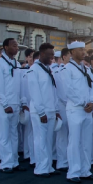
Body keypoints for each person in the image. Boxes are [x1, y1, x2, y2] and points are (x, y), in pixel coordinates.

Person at [63, 41, 93, 183]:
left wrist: (92, 102)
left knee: (86, 141)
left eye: (84, 49)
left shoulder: (86, 69)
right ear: (71, 52)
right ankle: (73, 172)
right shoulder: (67, 69)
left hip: (87, 110)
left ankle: (85, 170)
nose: (83, 52)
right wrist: (84, 103)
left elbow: (92, 88)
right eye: (80, 50)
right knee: (74, 141)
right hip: (76, 109)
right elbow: (68, 90)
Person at [27, 43, 62, 177]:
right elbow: (35, 93)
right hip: (40, 112)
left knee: (48, 140)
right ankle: (41, 167)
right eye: (50, 55)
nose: (52, 57)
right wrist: (41, 112)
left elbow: (52, 91)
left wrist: (56, 109)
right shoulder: (34, 70)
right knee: (40, 140)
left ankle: (48, 166)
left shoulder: (47, 69)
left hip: (50, 110)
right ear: (42, 55)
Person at [0, 38, 22, 173]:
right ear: (5, 47)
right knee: (4, 134)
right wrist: (5, 105)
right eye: (14, 46)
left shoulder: (15, 63)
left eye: (17, 46)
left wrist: (20, 102)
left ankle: (14, 161)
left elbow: (18, 85)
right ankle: (6, 163)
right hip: (5, 104)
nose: (17, 48)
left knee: (14, 134)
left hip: (15, 103)